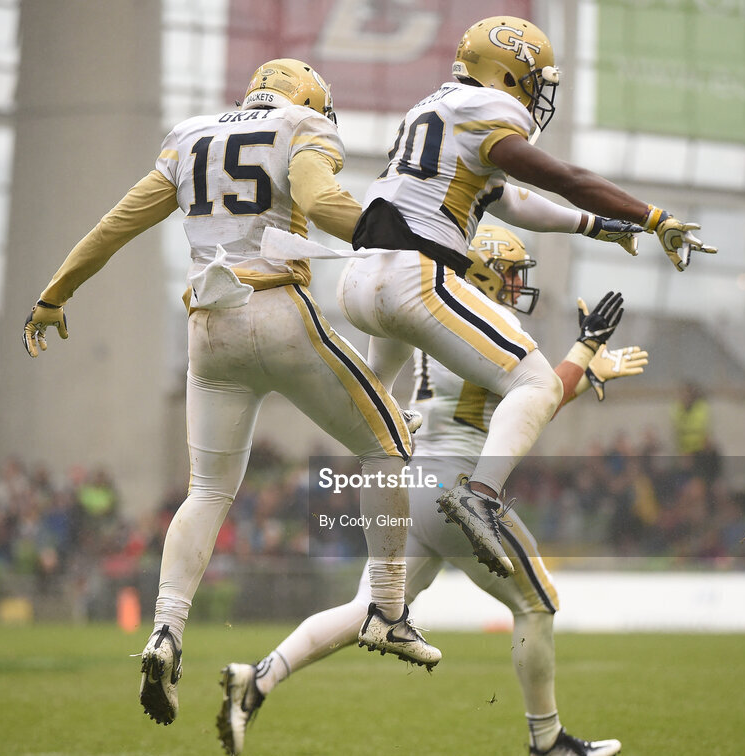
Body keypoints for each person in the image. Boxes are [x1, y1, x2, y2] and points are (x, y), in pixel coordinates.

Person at [20, 58, 440, 727]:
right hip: (274, 308)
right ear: (305, 100)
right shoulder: (301, 125)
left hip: (206, 327)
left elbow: (116, 224)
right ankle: (387, 611)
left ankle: (165, 632)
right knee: (388, 438)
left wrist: (54, 294)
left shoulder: (190, 135)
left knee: (208, 491)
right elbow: (319, 200)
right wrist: (404, 240)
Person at [218, 225, 647, 756]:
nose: (516, 285)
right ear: (486, 270)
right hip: (460, 489)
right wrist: (583, 351)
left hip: (415, 485)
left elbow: (522, 399)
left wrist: (586, 373)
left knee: (367, 610)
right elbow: (536, 392)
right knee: (538, 604)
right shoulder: (488, 327)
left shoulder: (429, 321)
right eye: (511, 273)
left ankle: (257, 679)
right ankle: (547, 741)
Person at [333, 15, 715, 578]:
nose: (537, 93)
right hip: (414, 275)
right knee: (535, 383)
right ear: (508, 72)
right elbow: (561, 176)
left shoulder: (435, 107)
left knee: (379, 429)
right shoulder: (491, 109)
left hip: (360, 278)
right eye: (533, 79)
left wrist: (593, 226)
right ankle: (480, 496)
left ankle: (383, 600)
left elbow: (507, 200)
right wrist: (650, 215)